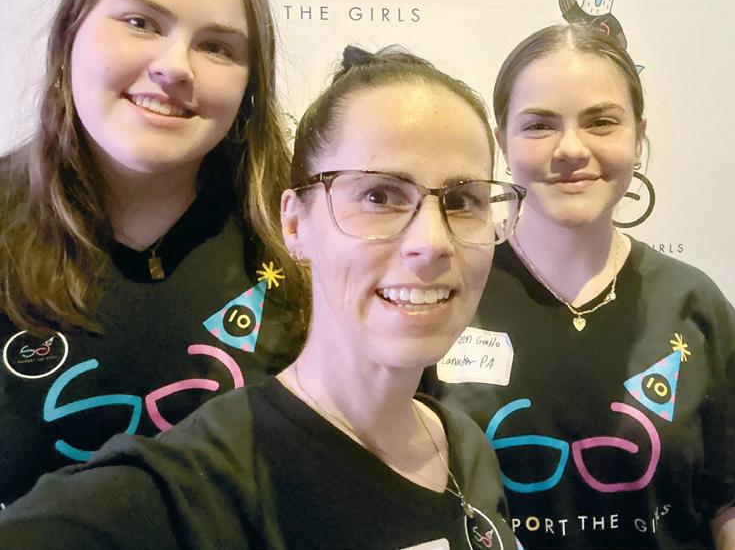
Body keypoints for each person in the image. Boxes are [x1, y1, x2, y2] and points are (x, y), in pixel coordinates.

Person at [0, 46, 526, 549]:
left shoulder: (464, 447)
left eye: (464, 201)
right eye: (379, 195)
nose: (432, 242)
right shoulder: (205, 484)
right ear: (295, 223)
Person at [422, 24, 735, 549]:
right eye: (539, 125)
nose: (571, 148)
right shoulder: (450, 294)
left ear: (638, 137)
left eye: (601, 122)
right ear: (502, 142)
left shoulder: (693, 305)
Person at [0, 0, 308, 509]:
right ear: (70, 35)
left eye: (217, 46)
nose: (174, 67)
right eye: (140, 22)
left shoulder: (301, 238)